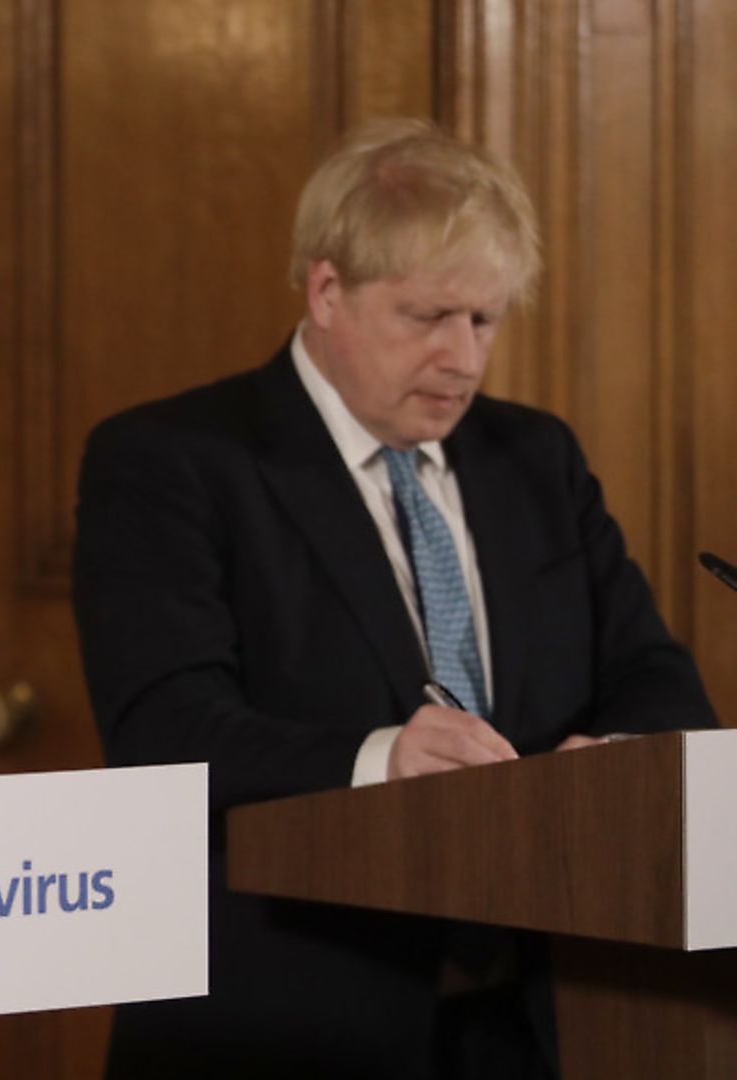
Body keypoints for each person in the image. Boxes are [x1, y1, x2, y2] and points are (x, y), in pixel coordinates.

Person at [73, 120, 715, 1078]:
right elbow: (165, 730)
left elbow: (650, 672)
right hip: (290, 1024)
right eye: (428, 317)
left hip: (543, 1021)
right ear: (327, 291)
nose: (463, 358)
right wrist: (381, 759)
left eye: (486, 321)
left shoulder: (534, 457)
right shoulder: (173, 461)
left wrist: (613, 764)